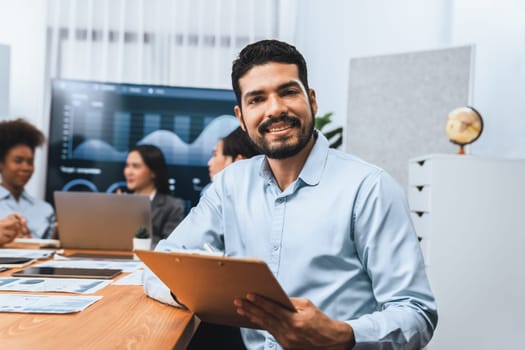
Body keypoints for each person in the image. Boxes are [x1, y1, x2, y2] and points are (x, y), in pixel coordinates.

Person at [144, 40, 437, 349]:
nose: (276, 109)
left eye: (288, 92)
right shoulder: (230, 185)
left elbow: (416, 313)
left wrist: (342, 334)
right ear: (241, 117)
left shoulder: (370, 188)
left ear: (311, 100)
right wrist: (193, 291)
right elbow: (160, 265)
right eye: (257, 99)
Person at [0, 118, 56, 238]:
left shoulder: (45, 209)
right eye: (18, 161)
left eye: (30, 162)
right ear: (1, 163)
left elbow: (53, 252)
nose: (26, 168)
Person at [124, 144, 185, 247]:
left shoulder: (172, 206)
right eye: (127, 165)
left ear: (153, 172)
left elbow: (169, 247)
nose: (128, 172)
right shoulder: (121, 203)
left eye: (136, 166)